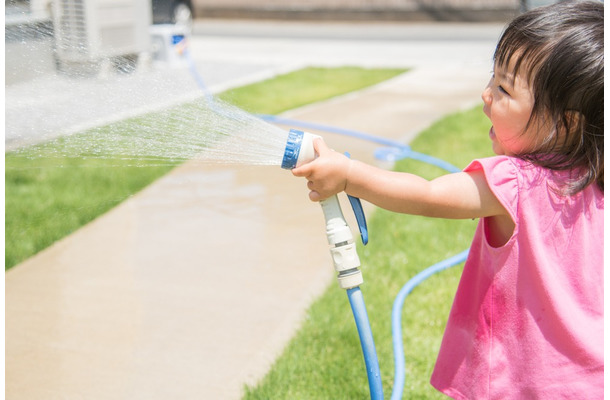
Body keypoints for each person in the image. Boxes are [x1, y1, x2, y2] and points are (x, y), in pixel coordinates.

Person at [291, 1, 604, 398]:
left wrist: (349, 175)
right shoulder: (596, 184)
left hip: (524, 382)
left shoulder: (516, 182)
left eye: (504, 89)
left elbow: (427, 195)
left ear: (567, 123)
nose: (485, 93)